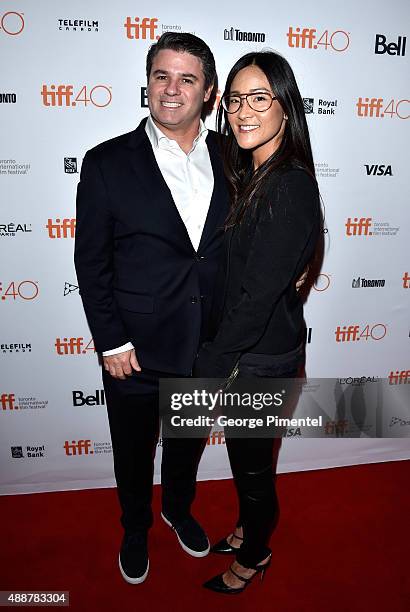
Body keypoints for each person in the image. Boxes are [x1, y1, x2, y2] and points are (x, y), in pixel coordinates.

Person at [74, 32, 230, 584]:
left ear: (208, 93)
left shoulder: (233, 160)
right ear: (147, 85)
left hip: (205, 343)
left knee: (186, 444)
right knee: (134, 449)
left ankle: (178, 508)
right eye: (161, 76)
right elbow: (90, 262)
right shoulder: (106, 162)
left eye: (187, 79)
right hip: (133, 350)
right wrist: (111, 341)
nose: (172, 89)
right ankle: (136, 525)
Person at [193, 51, 321, 594]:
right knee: (251, 463)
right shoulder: (253, 171)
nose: (244, 111)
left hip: (260, 363)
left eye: (260, 98)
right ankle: (248, 527)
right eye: (236, 100)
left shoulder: (287, 186)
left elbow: (258, 297)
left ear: (285, 109)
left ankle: (256, 555)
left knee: (253, 471)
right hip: (253, 356)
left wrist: (209, 366)